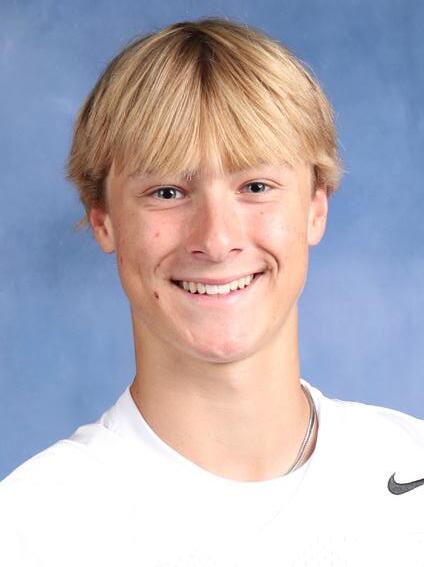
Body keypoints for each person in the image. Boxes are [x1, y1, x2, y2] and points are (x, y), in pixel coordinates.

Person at [1, 17, 423, 567]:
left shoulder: (412, 467)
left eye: (256, 186)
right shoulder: (31, 528)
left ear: (316, 207)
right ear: (102, 218)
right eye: (167, 192)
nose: (217, 240)